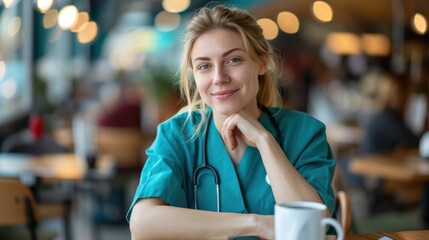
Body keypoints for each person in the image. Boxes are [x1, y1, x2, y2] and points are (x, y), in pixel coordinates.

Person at [127, 4, 336, 239]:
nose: (219, 78)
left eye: (233, 60)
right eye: (204, 66)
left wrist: (265, 141)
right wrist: (256, 224)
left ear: (262, 62)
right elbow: (142, 224)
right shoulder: (177, 135)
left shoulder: (305, 133)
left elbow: (314, 226)